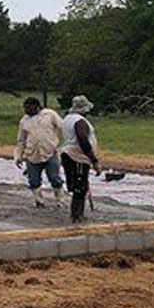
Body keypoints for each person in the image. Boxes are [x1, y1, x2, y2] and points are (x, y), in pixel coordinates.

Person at [59, 94, 103, 222]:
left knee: (80, 186)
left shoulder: (67, 118)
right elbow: (82, 139)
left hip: (69, 155)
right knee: (80, 187)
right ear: (84, 109)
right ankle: (76, 216)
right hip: (77, 156)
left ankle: (78, 214)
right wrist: (94, 159)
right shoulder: (80, 121)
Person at [14, 96, 63, 207]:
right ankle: (39, 201)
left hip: (50, 152)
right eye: (25, 108)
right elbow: (21, 140)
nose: (26, 110)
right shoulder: (24, 121)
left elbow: (62, 126)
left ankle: (60, 200)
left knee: (55, 178)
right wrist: (18, 156)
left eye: (28, 108)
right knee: (34, 181)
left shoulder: (49, 115)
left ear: (36, 106)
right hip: (32, 155)